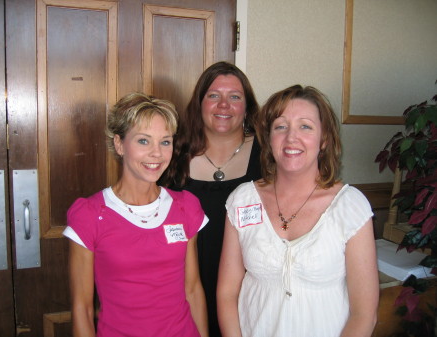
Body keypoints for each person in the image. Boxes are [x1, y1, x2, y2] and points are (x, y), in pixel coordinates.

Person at [217, 85, 379, 337]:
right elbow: (227, 294)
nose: (291, 137)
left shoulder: (350, 206)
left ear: (324, 139)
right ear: (269, 139)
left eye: (305, 126)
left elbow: (364, 314)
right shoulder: (242, 200)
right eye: (281, 126)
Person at [64, 92, 209, 337]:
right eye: (144, 141)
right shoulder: (89, 215)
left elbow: (192, 289)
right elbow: (83, 308)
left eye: (165, 142)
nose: (157, 153)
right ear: (119, 144)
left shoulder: (186, 207)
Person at [164, 61, 261, 337]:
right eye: (214, 95)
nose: (224, 105)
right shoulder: (171, 156)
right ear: (199, 103)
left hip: (249, 295)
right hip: (184, 292)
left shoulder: (269, 156)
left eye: (234, 97)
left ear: (247, 107)